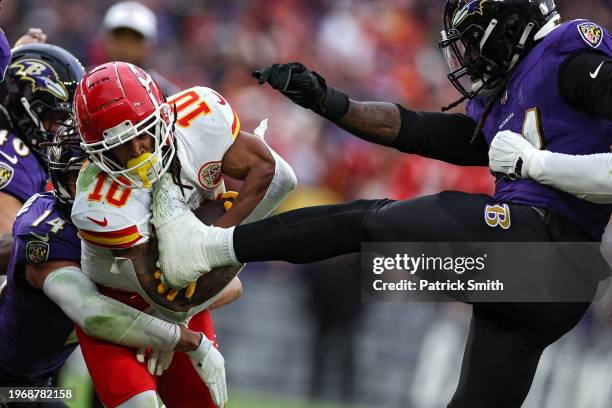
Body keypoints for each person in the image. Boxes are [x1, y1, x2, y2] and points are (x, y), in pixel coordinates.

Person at [150, 1, 612, 407]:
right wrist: (330, 102)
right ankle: (212, 247)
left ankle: (210, 246)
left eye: (474, 43)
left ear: (508, 27)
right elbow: (419, 130)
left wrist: (535, 163)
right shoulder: (512, 90)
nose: (468, 58)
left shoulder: (569, 48)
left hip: (546, 241)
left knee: (371, 221)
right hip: (549, 283)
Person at [70, 61, 297, 407]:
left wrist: (214, 243)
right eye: (121, 147)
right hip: (117, 302)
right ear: (97, 156)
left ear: (162, 116)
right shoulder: (99, 204)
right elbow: (169, 288)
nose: (138, 152)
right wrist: (173, 331)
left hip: (182, 296)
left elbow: (277, 176)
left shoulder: (200, 118)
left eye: (142, 134)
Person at [0, 122, 231, 408]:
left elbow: (230, 283)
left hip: (53, 373)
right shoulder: (48, 231)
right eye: (81, 176)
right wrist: (183, 339)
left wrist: (169, 315)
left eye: (103, 176)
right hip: (14, 387)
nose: (93, 189)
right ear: (60, 178)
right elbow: (93, 313)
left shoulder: (136, 219)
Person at [0, 44, 83, 274]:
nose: (67, 134)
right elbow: (6, 245)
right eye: (58, 121)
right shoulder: (10, 152)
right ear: (22, 109)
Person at [93, 1, 178, 96]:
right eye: (119, 37)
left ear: (149, 46)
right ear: (104, 40)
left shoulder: (166, 93)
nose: (124, 46)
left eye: (134, 40)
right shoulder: (86, 83)